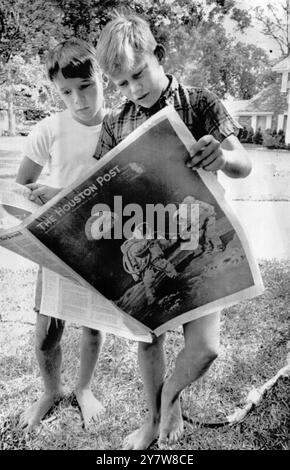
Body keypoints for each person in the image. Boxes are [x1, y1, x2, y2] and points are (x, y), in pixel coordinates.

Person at [94, 13, 252, 449]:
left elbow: (243, 164)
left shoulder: (199, 103)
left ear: (158, 56)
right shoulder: (115, 123)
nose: (135, 89)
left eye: (139, 74)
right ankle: (153, 418)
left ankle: (169, 397)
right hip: (145, 236)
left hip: (198, 235)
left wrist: (221, 158)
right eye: (122, 83)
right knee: (150, 338)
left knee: (205, 349)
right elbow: (101, 185)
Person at [16, 38, 106, 430]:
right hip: (56, 248)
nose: (79, 99)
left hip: (102, 244)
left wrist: (66, 195)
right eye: (66, 92)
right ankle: (50, 391)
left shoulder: (120, 126)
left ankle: (84, 389)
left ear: (102, 76)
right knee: (46, 332)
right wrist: (42, 203)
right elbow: (22, 188)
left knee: (92, 324)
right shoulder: (49, 128)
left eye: (86, 86)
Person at [121, 223, 177, 305]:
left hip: (155, 259)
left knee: (168, 267)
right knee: (149, 282)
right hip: (145, 266)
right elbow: (137, 251)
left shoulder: (144, 238)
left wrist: (172, 241)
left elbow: (160, 245)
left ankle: (176, 279)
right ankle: (151, 300)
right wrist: (146, 240)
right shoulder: (130, 245)